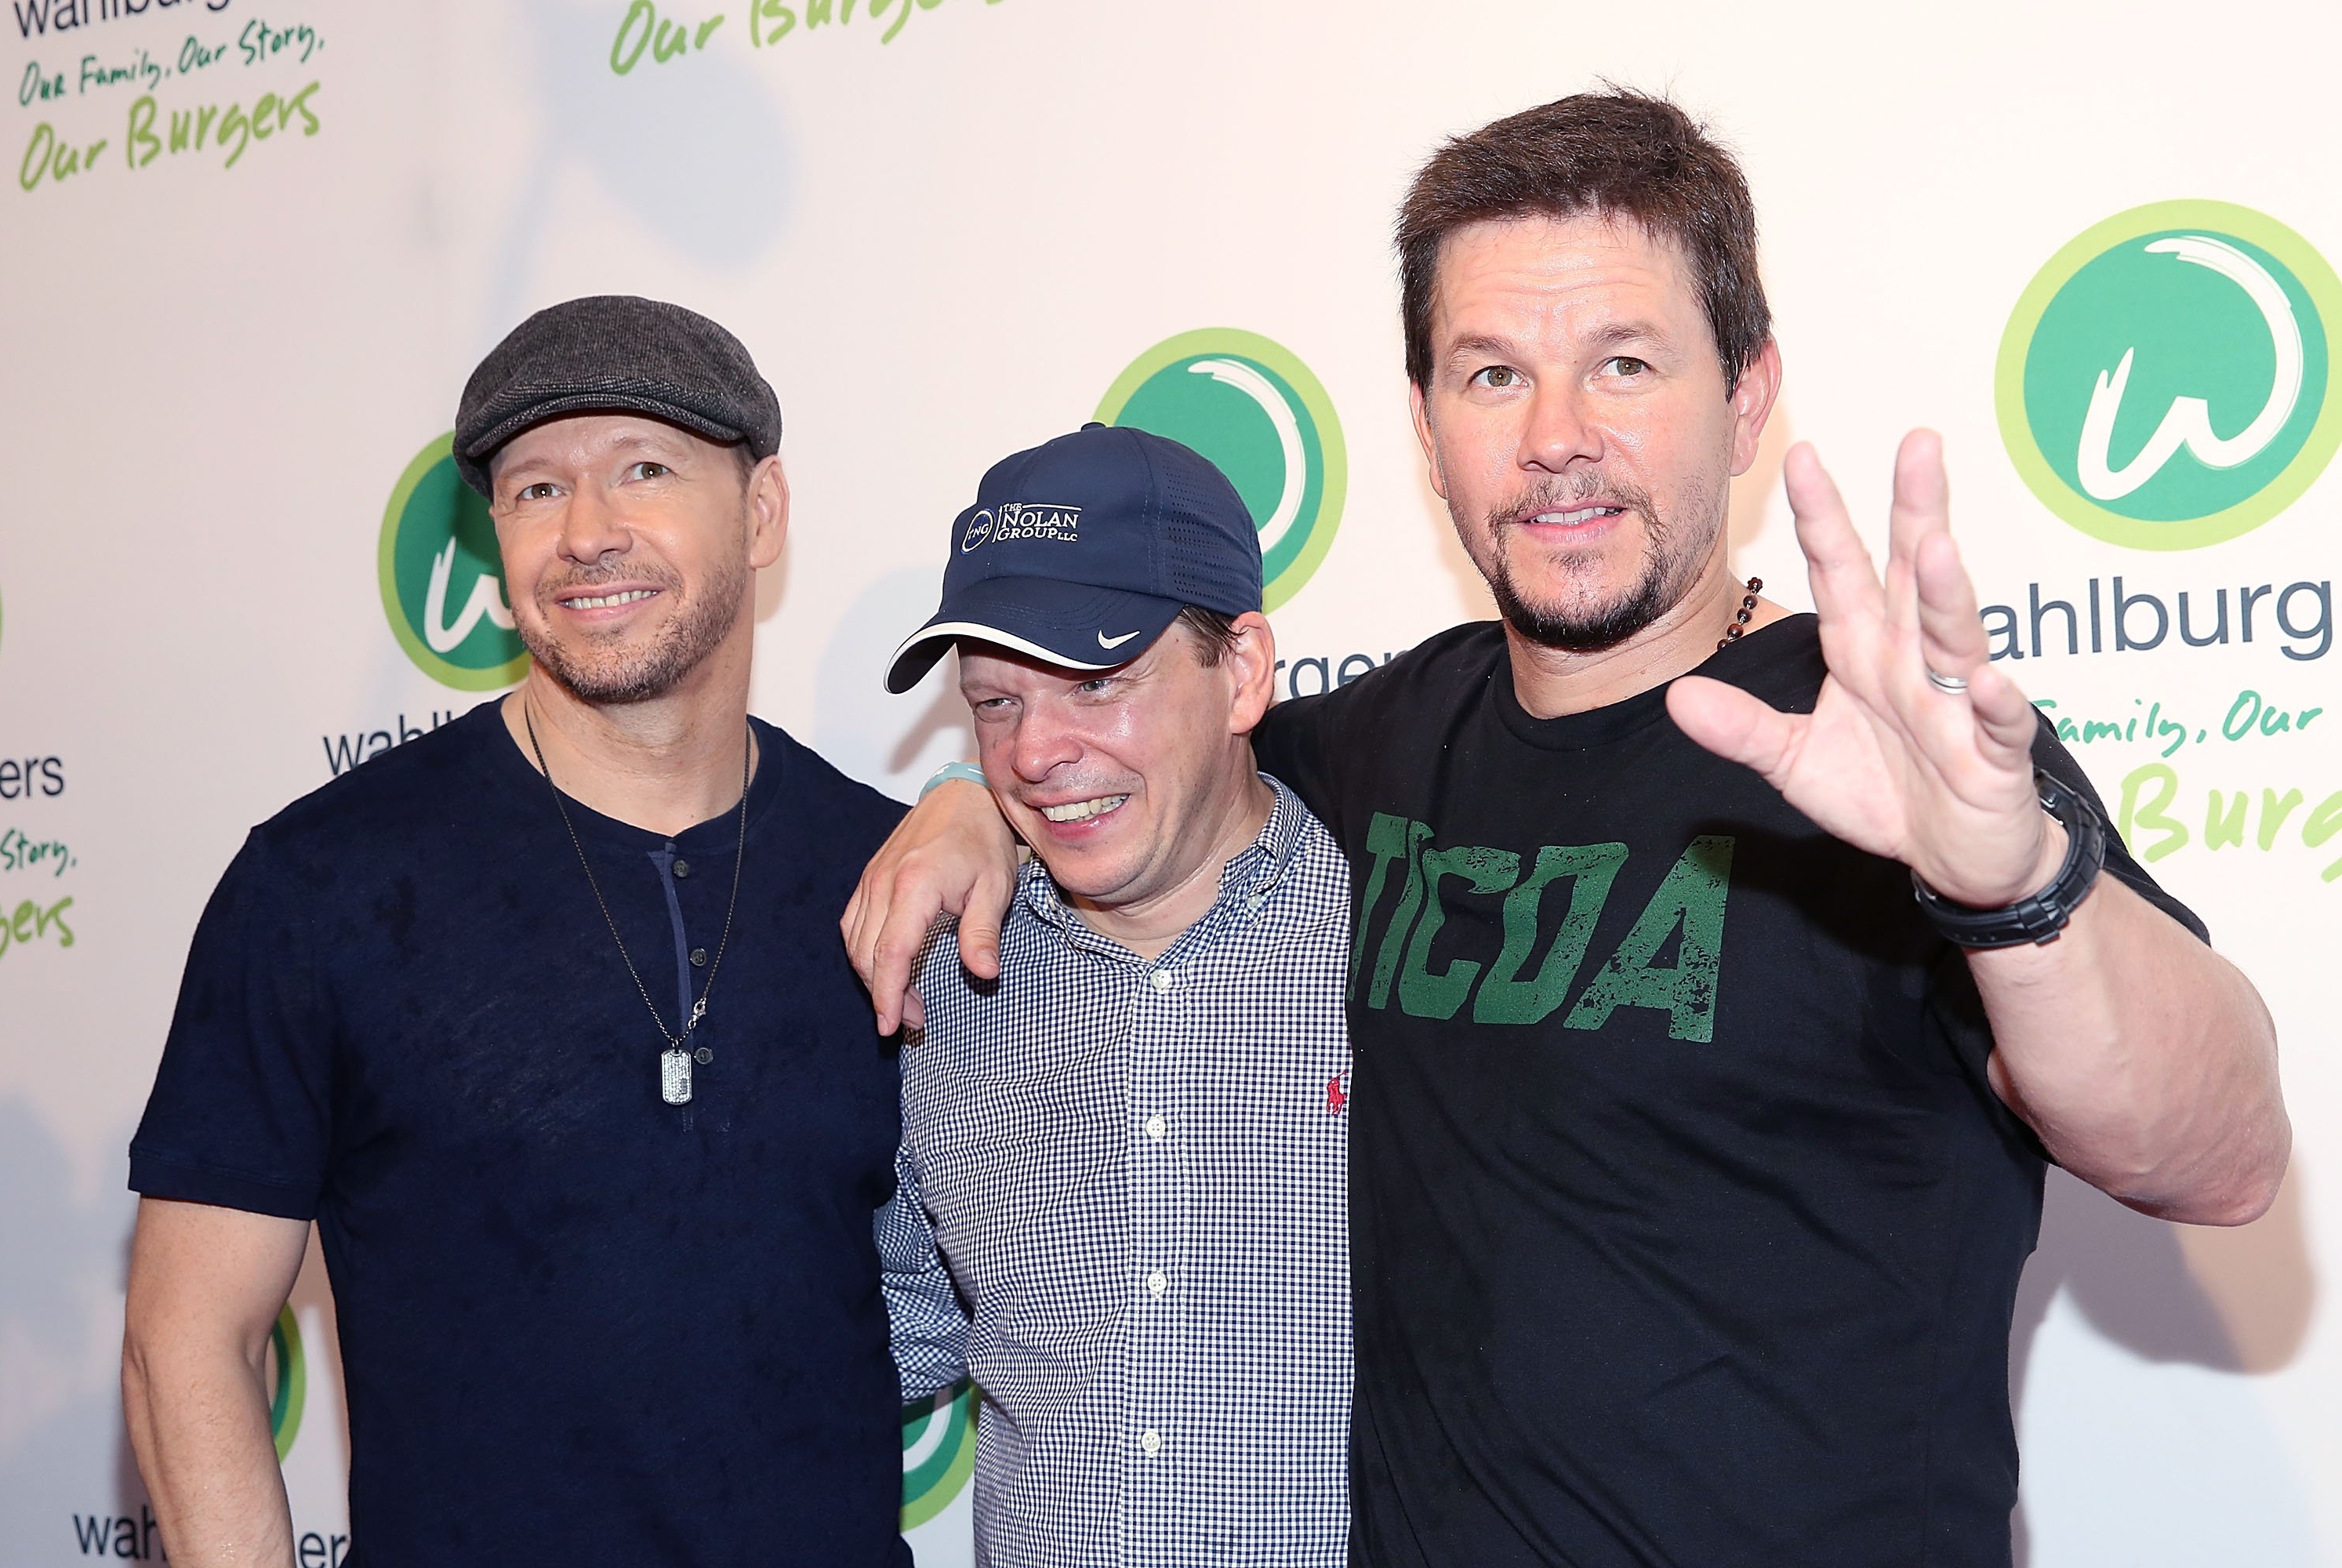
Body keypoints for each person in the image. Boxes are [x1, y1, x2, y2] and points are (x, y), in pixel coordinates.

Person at [841, 94, 2290, 1566]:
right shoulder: (1381, 742)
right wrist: (968, 809)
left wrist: (2020, 889)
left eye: (1623, 364)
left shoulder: (1885, 745)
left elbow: (2222, 1158)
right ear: (1423, 428)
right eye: (1491, 374)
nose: (1554, 439)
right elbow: (1130, 769)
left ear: (1746, 395)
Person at [122, 296, 913, 1566]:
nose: (587, 533)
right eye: (536, 489)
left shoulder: (890, 875)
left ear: (761, 513)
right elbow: (184, 1339)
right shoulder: (322, 885)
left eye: (643, 470)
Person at [874, 424, 1353, 1566]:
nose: (1036, 753)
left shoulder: (1401, 942)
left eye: (1097, 682)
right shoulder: (940, 985)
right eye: (993, 704)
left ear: (1240, 672)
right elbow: (891, 1331)